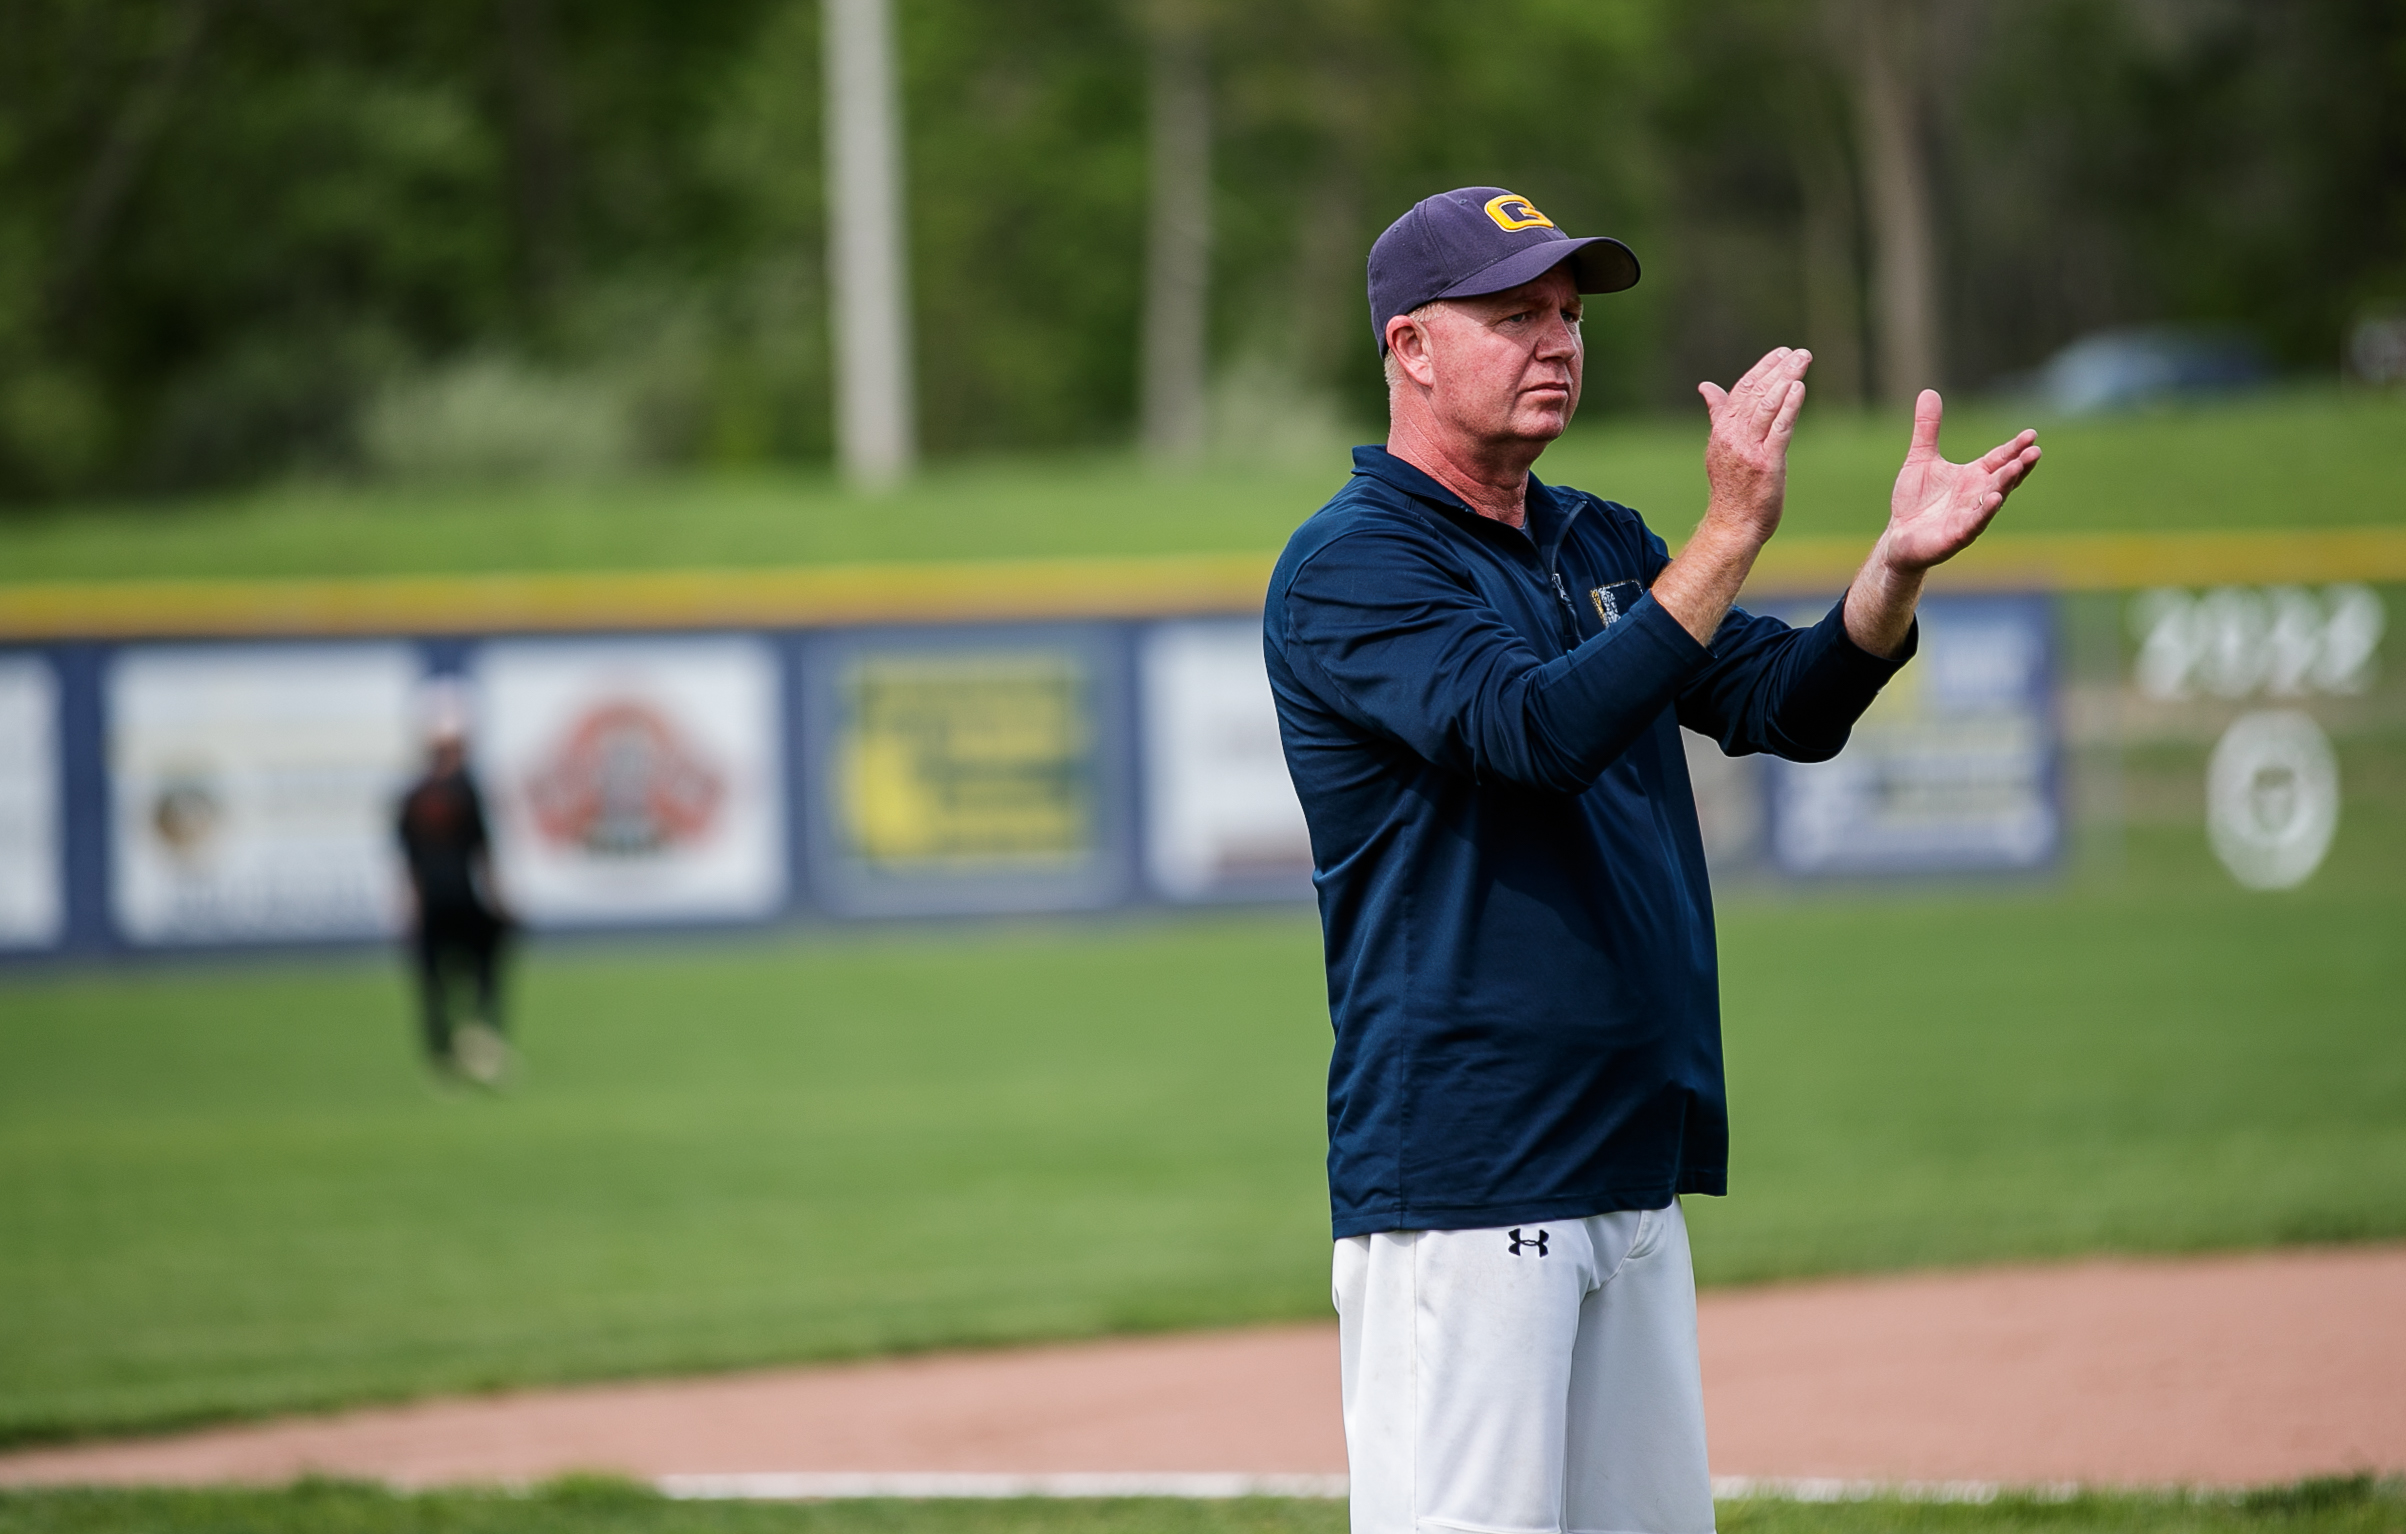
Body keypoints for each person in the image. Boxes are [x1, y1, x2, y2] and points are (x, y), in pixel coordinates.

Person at [1263, 187, 2041, 1534]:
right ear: (1409, 349)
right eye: (1512, 313)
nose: (1556, 339)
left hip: (1625, 1149)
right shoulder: (1351, 564)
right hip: (1467, 1167)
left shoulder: (1594, 539)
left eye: (1567, 313)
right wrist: (1731, 530)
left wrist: (1892, 567)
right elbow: (1531, 730)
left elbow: (1782, 707)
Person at [396, 701, 512, 1085]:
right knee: (483, 972)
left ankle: (443, 1057)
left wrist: (409, 905)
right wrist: (498, 898)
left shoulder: (412, 796)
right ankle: (480, 1043)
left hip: (432, 901)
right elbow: (483, 851)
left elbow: (406, 861)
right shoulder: (465, 790)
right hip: (463, 898)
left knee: (435, 983)